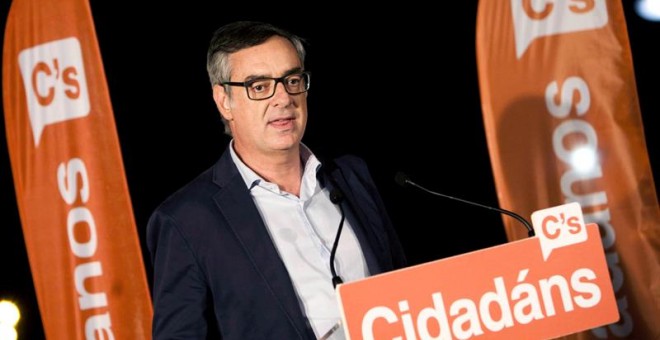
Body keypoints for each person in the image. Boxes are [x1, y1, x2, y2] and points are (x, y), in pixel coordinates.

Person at [146, 20, 407, 339]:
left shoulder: (351, 177)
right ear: (224, 100)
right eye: (259, 86)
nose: (283, 98)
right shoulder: (186, 220)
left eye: (292, 80)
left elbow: (403, 288)